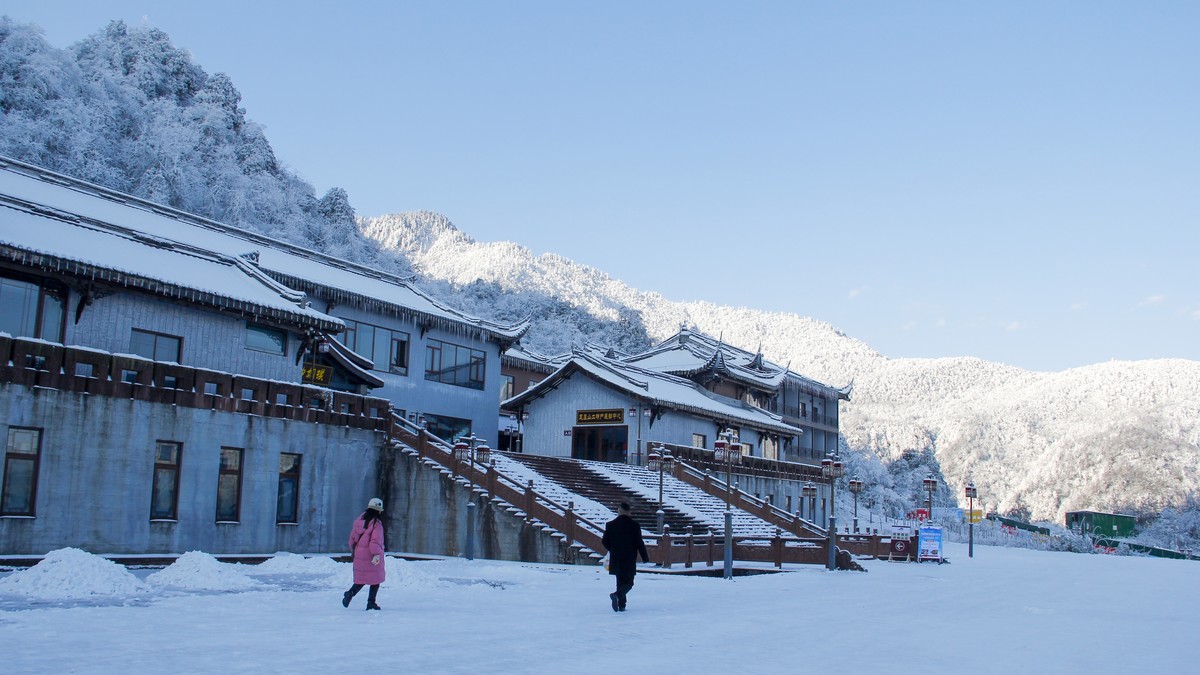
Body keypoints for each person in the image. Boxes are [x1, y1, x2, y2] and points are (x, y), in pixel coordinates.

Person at [601, 501, 650, 612]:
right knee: (629, 582)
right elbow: (639, 543)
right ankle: (617, 596)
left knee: (620, 580)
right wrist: (645, 557)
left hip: (616, 557)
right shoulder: (634, 525)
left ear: (619, 511)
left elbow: (604, 541)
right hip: (629, 557)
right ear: (629, 512)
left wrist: (612, 549)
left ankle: (621, 605)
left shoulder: (610, 525)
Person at [343, 497, 386, 610]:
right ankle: (371, 602)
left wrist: (356, 551)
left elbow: (352, 540)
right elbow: (375, 542)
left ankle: (350, 593)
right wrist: (377, 554)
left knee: (362, 578)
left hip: (359, 554)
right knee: (375, 579)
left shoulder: (359, 520)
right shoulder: (377, 524)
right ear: (379, 510)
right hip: (371, 555)